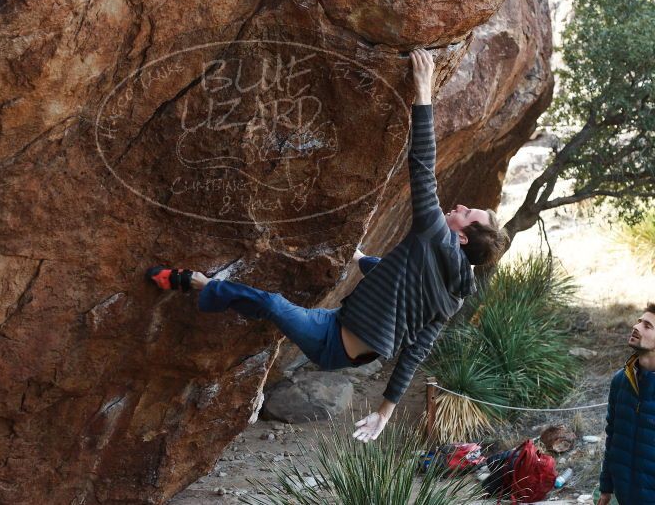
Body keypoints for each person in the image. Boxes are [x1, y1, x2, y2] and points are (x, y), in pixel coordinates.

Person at [146, 48, 508, 442]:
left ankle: (198, 283)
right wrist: (360, 259)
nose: (461, 206)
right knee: (269, 310)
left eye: (469, 213)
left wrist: (423, 91)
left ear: (461, 236)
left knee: (273, 304)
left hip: (332, 342)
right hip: (342, 332)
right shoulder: (450, 289)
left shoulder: (435, 235)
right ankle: (228, 301)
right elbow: (401, 283)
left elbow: (422, 167)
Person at [598, 303, 655, 505]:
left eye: (647, 326)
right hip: (624, 497)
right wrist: (605, 488)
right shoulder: (620, 381)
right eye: (639, 322)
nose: (636, 327)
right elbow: (613, 435)